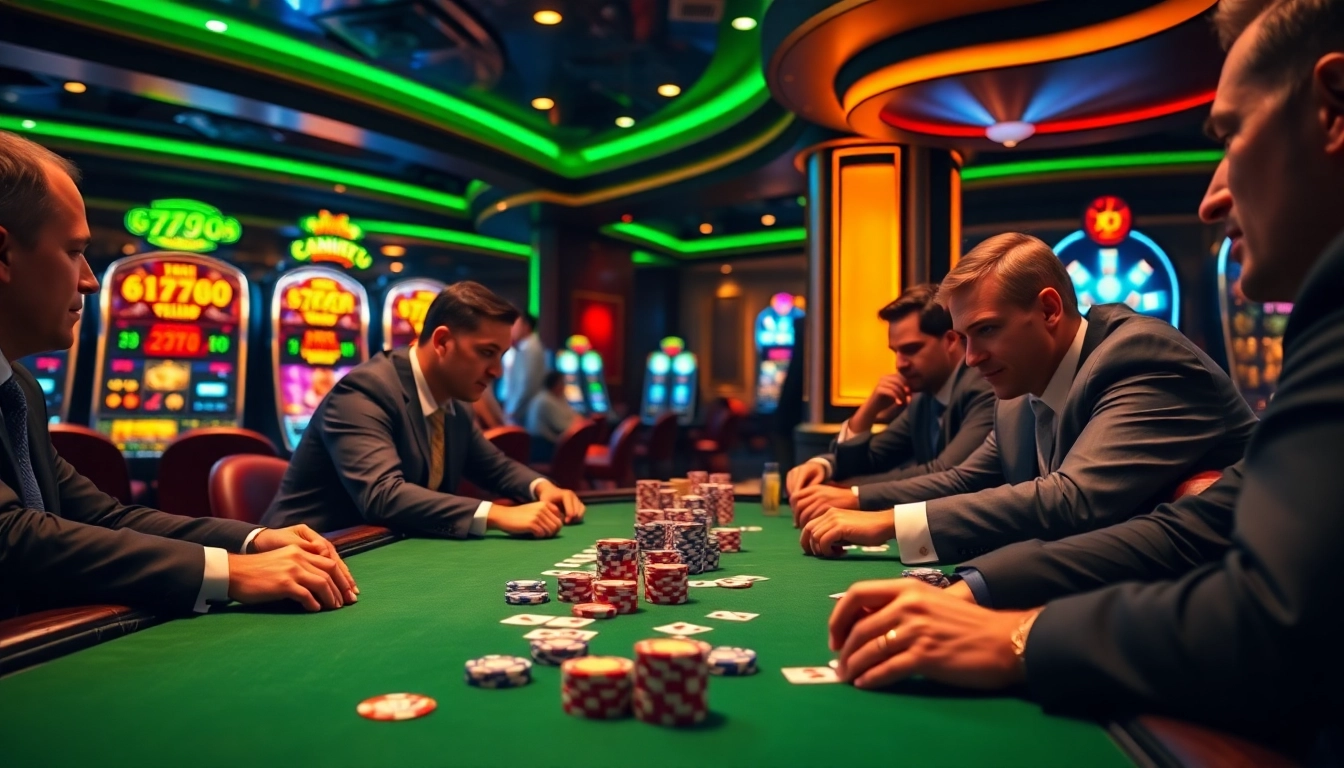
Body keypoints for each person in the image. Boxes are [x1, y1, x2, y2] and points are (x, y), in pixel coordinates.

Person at [827, 0, 1344, 747]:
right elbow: (1187, 531)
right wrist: (972, 588)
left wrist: (1019, 640)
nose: (1211, 198)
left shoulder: (1141, 353)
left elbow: (1273, 621)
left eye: (1230, 137)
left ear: (1333, 110)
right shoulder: (1323, 325)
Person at [0, 131, 356, 617]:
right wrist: (228, 572)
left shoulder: (18, 388)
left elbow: (104, 516)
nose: (90, 279)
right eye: (72, 251)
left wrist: (254, 539)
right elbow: (12, 535)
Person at [800, 232, 1257, 564]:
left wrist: (887, 524)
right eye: (964, 336)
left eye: (987, 330)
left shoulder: (1139, 356)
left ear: (1049, 309)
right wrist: (858, 502)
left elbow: (1073, 498)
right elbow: (965, 480)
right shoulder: (1019, 392)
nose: (972, 358)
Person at [262, 282, 585, 539]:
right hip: (306, 559)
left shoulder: (454, 402)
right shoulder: (364, 391)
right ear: (443, 341)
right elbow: (383, 495)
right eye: (487, 352)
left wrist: (542, 487)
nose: (497, 371)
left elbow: (494, 467)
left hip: (380, 551)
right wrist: (496, 514)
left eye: (501, 355)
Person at [787, 284, 995, 521]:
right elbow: (869, 461)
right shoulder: (925, 399)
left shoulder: (981, 387)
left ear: (949, 341)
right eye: (895, 351)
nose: (899, 364)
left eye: (911, 349)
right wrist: (868, 411)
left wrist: (850, 493)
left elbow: (945, 473)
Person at [501, 312, 546, 425]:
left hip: (524, 413)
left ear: (526, 327)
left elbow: (527, 384)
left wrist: (513, 410)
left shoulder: (530, 349)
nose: (512, 329)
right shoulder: (525, 347)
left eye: (515, 324)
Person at [525, 370, 581, 462]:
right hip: (542, 447)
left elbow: (571, 415)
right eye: (562, 382)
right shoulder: (545, 400)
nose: (564, 386)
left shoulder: (557, 397)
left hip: (551, 444)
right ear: (554, 384)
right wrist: (577, 423)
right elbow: (561, 427)